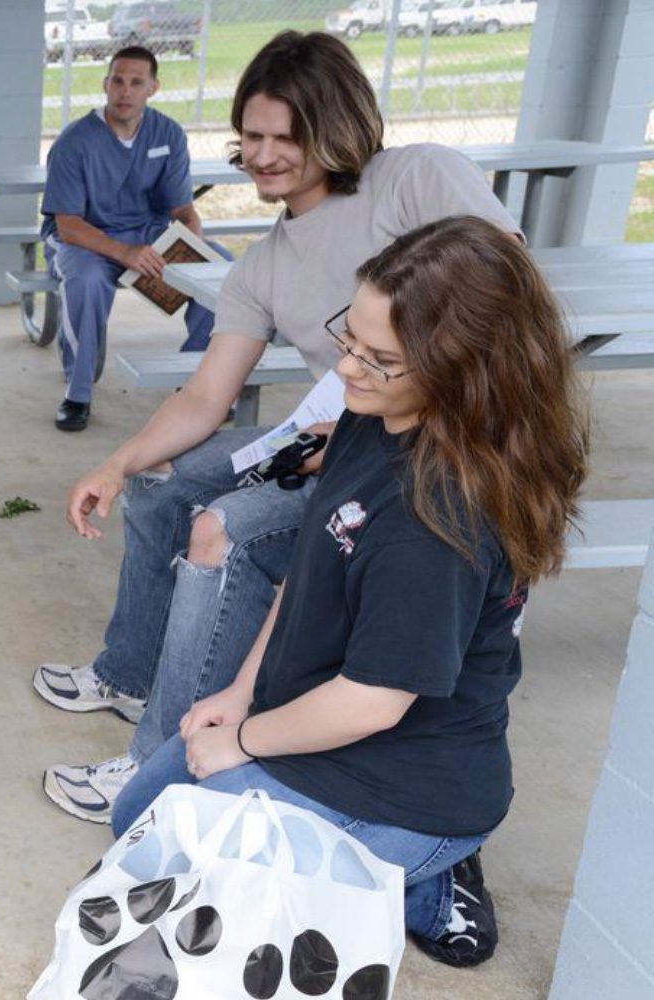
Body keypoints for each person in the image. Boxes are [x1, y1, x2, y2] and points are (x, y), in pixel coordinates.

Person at [34, 31, 522, 821]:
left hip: (431, 464)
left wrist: (398, 410)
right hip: (336, 439)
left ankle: (158, 758)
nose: (258, 156)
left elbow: (510, 300)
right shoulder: (262, 262)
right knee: (165, 476)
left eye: (280, 138)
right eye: (249, 137)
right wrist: (116, 464)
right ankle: (130, 674)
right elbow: (204, 398)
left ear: (334, 125)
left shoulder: (414, 178)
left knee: (220, 532)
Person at [109, 215, 589, 967]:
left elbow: (372, 700)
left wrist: (239, 744)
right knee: (135, 821)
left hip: (406, 782)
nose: (347, 369)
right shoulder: (375, 417)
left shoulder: (439, 522)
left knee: (181, 888)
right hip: (316, 726)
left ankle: (425, 874)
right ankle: (366, 865)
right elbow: (310, 566)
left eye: (380, 357)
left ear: (466, 368)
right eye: (350, 339)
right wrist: (241, 693)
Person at [40, 45, 223, 433]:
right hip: (86, 238)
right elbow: (68, 224)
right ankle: (78, 393)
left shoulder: (168, 133)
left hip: (146, 234)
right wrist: (125, 253)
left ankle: (195, 386)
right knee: (86, 282)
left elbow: (183, 210)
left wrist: (191, 247)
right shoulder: (75, 141)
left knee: (222, 275)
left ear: (152, 88)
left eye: (136, 82)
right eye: (118, 81)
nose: (125, 91)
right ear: (106, 85)